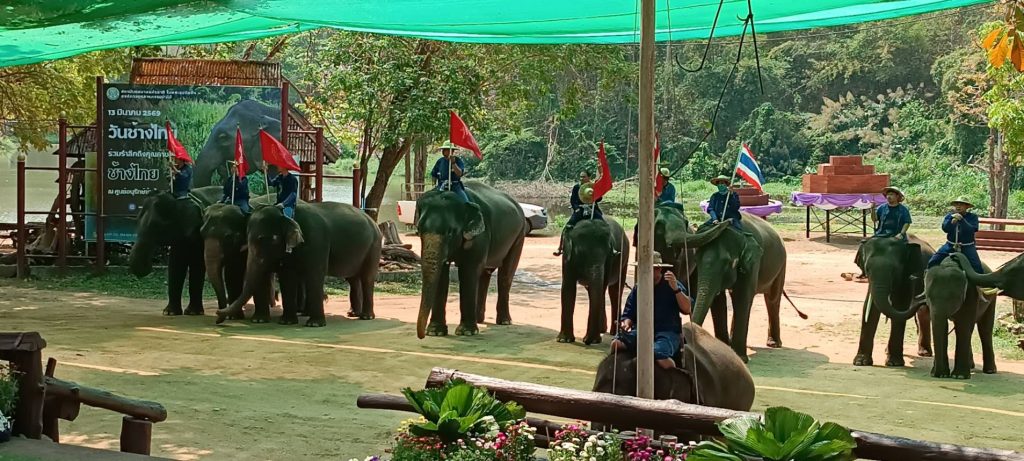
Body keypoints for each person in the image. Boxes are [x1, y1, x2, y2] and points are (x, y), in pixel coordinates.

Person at [610, 251, 692, 370]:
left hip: (667, 332)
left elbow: (687, 308)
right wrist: (626, 324)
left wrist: (676, 289)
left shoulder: (672, 285)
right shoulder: (638, 287)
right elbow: (628, 314)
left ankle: (674, 375)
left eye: (648, 269)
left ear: (658, 269)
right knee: (616, 344)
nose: (643, 272)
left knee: (656, 353)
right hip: (640, 331)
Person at [553, 171, 604, 256]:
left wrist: (596, 193)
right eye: (581, 177)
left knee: (604, 225)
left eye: (584, 177)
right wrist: (576, 209)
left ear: (589, 177)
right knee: (567, 227)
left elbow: (599, 199)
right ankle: (560, 247)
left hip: (592, 209)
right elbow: (573, 200)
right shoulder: (577, 187)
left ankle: (611, 248)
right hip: (580, 210)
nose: (581, 178)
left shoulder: (593, 186)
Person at [928, 196, 983, 273]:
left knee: (977, 267)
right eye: (957, 204)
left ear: (967, 207)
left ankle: (980, 280)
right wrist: (950, 222)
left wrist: (962, 220)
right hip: (950, 245)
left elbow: (971, 230)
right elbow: (945, 229)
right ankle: (927, 276)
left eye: (961, 204)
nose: (958, 206)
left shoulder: (972, 217)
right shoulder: (949, 216)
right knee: (933, 261)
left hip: (967, 246)